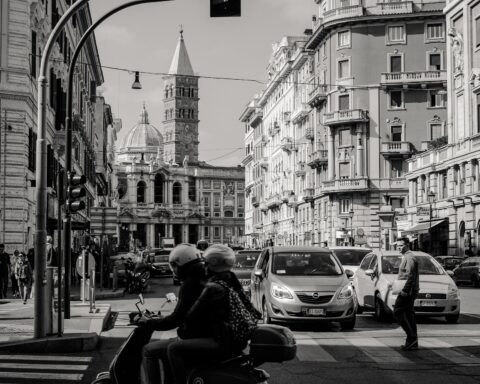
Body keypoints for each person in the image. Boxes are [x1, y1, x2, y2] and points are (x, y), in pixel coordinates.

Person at [167, 244, 261, 384]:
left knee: (173, 349)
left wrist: (182, 331)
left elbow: (191, 317)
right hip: (236, 341)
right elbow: (252, 309)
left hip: (222, 341)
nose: (202, 267)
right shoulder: (230, 279)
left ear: (212, 264)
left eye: (205, 263)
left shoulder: (212, 287)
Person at [139, 243, 206, 384]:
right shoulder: (202, 276)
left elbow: (176, 319)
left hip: (195, 337)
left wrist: (150, 323)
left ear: (182, 263)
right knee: (167, 350)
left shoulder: (190, 284)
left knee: (149, 351)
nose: (174, 270)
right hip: (202, 335)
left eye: (174, 266)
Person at [393, 237, 419, 351]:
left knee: (398, 311)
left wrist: (405, 290)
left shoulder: (409, 258)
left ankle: (412, 337)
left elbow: (411, 276)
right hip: (408, 290)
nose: (398, 247)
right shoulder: (406, 257)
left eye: (401, 245)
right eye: (397, 245)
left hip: (408, 292)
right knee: (409, 314)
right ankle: (413, 341)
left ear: (407, 245)